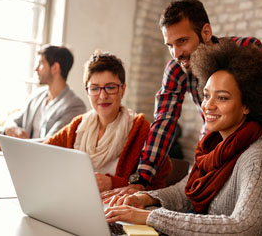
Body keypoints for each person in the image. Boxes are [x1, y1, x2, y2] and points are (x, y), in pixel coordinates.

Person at [105, 0, 262, 207]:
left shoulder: (246, 49)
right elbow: (164, 122)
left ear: (206, 32)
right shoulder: (176, 68)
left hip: (252, 146)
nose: (176, 53)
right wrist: (141, 179)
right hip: (212, 147)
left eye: (182, 41)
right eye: (169, 45)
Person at [105, 40, 262, 235]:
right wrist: (144, 199)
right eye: (207, 95)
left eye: (222, 97)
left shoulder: (260, 159)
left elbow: (244, 226)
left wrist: (150, 216)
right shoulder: (212, 146)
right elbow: (187, 192)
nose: (208, 105)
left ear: (247, 105)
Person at [44, 51, 171, 193]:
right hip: (76, 202)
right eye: (95, 88)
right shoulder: (77, 126)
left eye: (110, 87)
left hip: (117, 210)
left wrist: (113, 183)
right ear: (87, 91)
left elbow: (158, 187)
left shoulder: (142, 130)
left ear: (123, 90)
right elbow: (42, 155)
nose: (102, 96)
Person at [0, 45, 86, 152]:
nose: (36, 69)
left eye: (41, 63)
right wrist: (11, 129)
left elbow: (52, 144)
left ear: (55, 68)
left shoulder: (75, 106)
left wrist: (1, 147)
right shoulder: (37, 96)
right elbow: (14, 120)